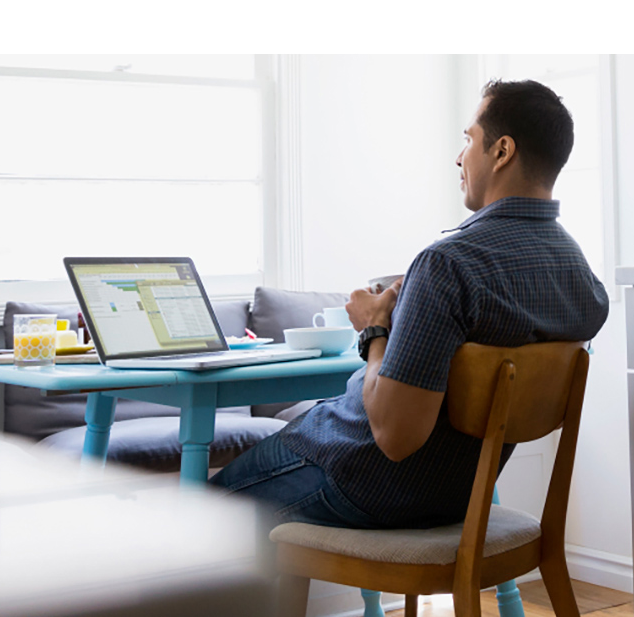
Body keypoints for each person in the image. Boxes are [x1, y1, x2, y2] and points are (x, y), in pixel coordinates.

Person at [209, 79, 610, 529]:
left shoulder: (449, 265)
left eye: (469, 140)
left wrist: (375, 326)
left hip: (360, 477)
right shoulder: (581, 279)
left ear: (501, 151)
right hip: (458, 493)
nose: (460, 157)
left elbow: (395, 437)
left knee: (196, 519)